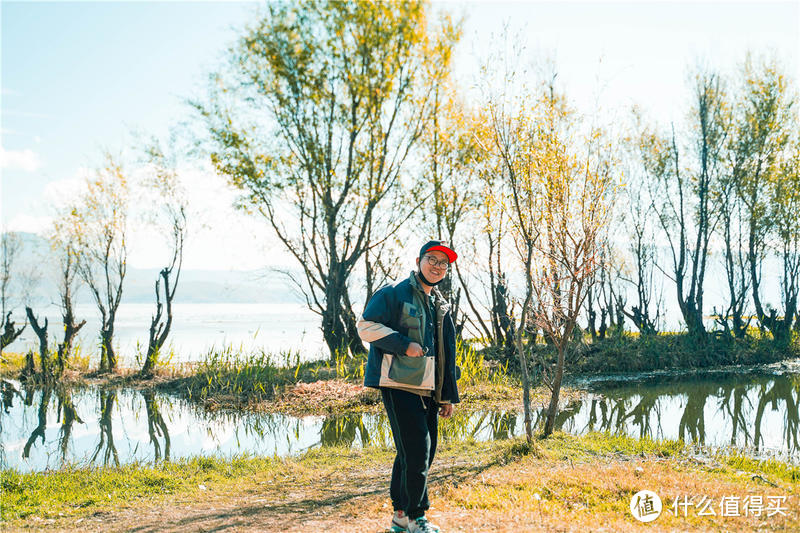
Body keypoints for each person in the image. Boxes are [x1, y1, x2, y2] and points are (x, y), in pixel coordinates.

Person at [358, 240, 461, 533]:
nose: (438, 266)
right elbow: (366, 326)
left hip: (429, 388)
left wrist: (446, 395)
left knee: (416, 453)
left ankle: (401, 517)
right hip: (399, 383)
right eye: (432, 259)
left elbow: (444, 352)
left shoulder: (438, 302)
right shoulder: (394, 292)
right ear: (419, 260)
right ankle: (417, 518)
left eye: (444, 263)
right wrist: (404, 346)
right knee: (417, 452)